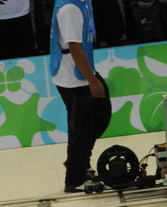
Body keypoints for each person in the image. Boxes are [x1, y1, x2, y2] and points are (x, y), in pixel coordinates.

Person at [50, 0, 112, 192]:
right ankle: (74, 178)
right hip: (72, 76)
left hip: (82, 71)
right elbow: (75, 49)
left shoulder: (83, 3)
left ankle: (79, 161)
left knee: (101, 114)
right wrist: (92, 80)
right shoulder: (70, 9)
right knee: (80, 128)